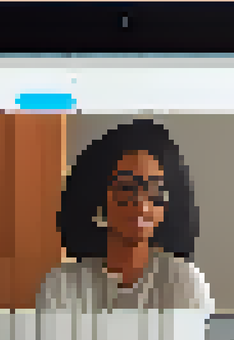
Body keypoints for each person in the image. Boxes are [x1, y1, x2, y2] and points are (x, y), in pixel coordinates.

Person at [35, 119, 213, 312]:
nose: (142, 205)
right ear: (98, 195)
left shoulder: (185, 283)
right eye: (127, 188)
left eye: (155, 190)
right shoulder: (62, 286)